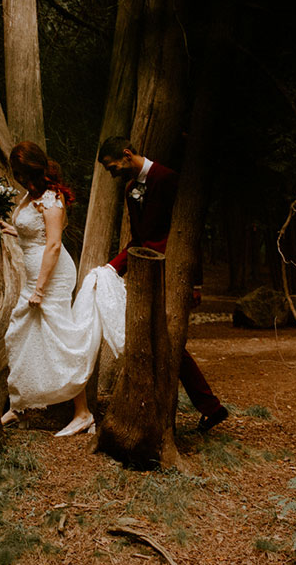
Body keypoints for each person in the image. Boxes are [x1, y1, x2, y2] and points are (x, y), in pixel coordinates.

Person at [96, 136, 230, 432]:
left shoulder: (169, 178)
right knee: (159, 340)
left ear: (127, 154)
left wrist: (196, 282)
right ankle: (206, 407)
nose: (111, 172)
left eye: (111, 166)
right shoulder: (131, 189)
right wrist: (111, 268)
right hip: (148, 275)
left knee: (170, 341)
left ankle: (210, 406)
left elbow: (189, 232)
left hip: (176, 274)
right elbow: (139, 239)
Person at [0, 142, 126, 436]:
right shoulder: (32, 196)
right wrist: (12, 229)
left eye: (20, 172)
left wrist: (40, 289)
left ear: (33, 169)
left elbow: (53, 244)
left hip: (52, 276)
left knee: (58, 339)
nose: (16, 177)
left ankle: (83, 414)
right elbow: (36, 233)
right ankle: (20, 405)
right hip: (34, 274)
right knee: (21, 333)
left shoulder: (52, 198)